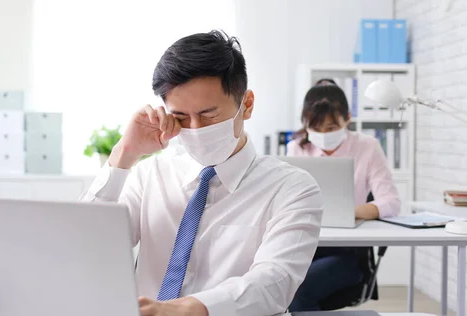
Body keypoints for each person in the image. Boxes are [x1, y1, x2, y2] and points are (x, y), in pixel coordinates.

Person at [82, 30, 323, 316]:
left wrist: (190, 309)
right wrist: (125, 153)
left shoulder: (292, 188)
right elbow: (85, 247)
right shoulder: (150, 176)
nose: (195, 129)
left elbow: (274, 282)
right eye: (181, 117)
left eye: (209, 115)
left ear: (246, 105)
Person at [286, 82, 401, 312]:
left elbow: (391, 202)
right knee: (279, 283)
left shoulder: (368, 147)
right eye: (316, 128)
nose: (323, 135)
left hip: (348, 253)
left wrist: (348, 212)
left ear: (347, 119)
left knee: (299, 289)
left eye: (330, 127)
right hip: (303, 248)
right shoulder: (296, 148)